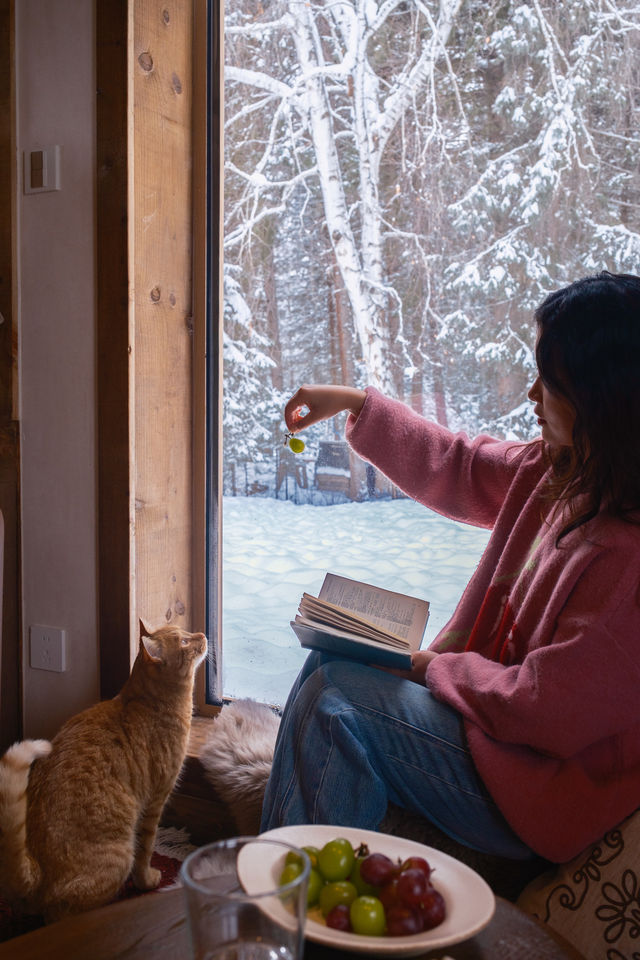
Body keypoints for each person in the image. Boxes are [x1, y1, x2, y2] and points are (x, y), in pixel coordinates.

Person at [260, 271, 640, 864]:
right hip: (495, 739)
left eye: (550, 383)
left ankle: (289, 911)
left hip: (535, 792)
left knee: (336, 698)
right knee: (327, 658)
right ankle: (287, 883)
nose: (532, 398)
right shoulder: (558, 470)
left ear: (603, 397)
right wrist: (355, 403)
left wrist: (437, 668)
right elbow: (458, 464)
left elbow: (550, 712)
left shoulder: (628, 562)